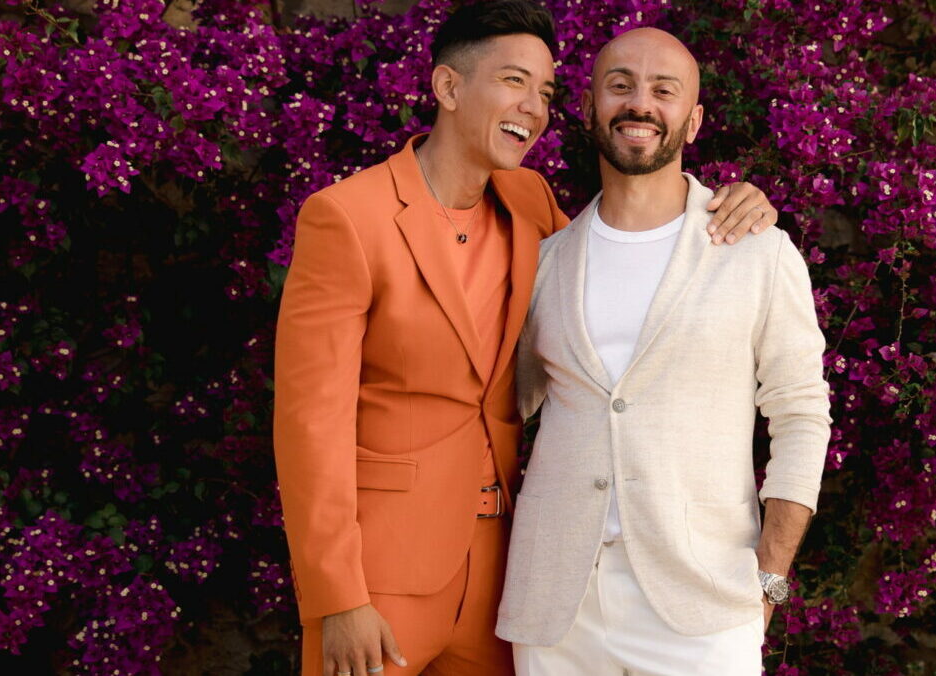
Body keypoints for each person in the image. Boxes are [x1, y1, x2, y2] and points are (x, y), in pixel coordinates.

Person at [272, 3, 780, 675]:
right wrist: (336, 597)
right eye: (515, 82)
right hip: (383, 573)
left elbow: (628, 275)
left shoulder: (529, 203)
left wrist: (731, 205)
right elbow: (311, 423)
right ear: (449, 88)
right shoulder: (347, 217)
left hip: (505, 577)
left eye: (545, 92)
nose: (535, 108)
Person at [495, 27, 832, 675]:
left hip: (702, 601)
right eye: (619, 86)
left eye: (664, 90)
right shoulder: (544, 261)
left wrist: (769, 578)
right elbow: (503, 406)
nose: (640, 103)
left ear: (695, 119)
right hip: (558, 606)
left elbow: (801, 419)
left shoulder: (757, 250)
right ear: (590, 108)